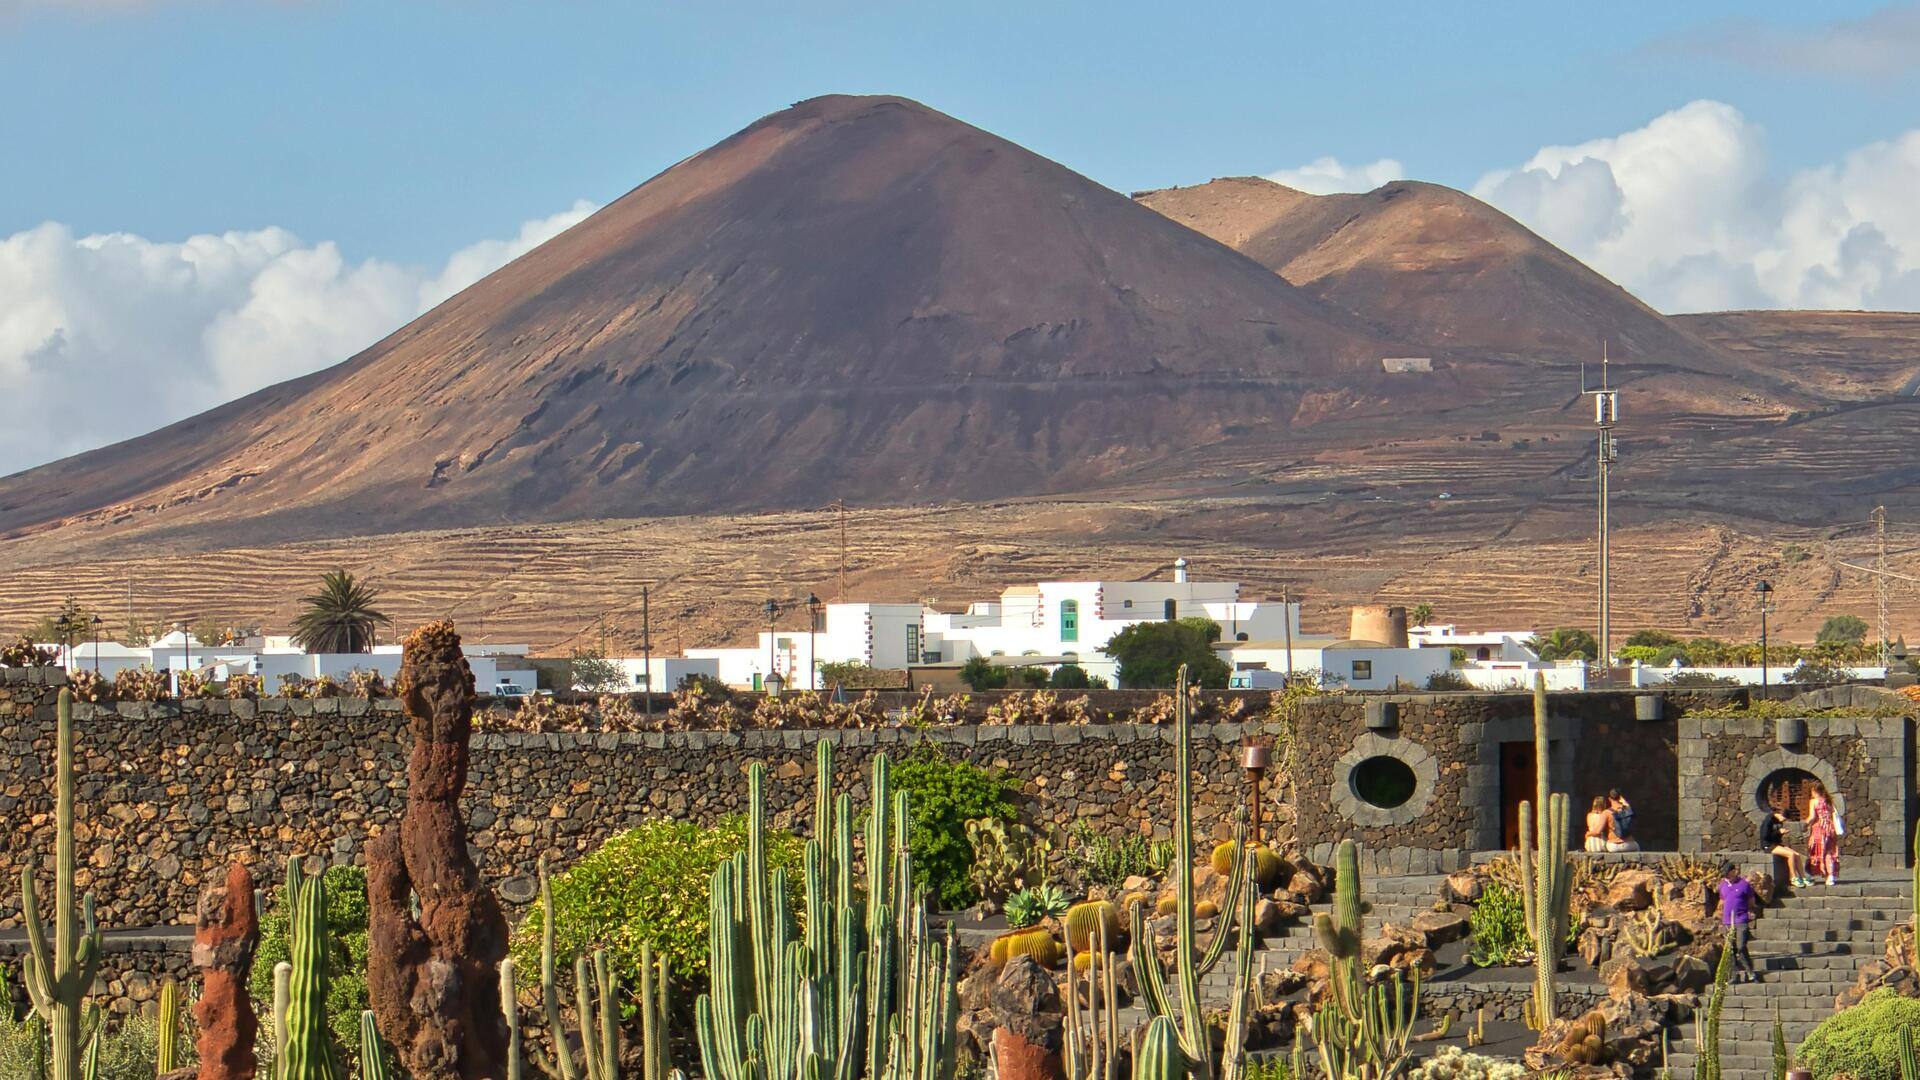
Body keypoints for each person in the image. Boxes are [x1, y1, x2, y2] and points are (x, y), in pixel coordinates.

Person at [1717, 863, 1760, 983]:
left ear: (1734, 871)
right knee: (1730, 948)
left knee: (1740, 946)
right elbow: (1722, 900)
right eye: (1724, 875)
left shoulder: (1744, 885)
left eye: (1728, 874)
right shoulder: (1723, 885)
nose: (1726, 877)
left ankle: (1750, 972)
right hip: (1727, 921)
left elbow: (1751, 901)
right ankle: (1734, 975)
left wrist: (1748, 911)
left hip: (1741, 919)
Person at [1761, 807, 1810, 888]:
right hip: (1768, 845)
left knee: (1796, 854)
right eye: (1784, 818)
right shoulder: (1768, 820)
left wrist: (1781, 833)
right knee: (1790, 854)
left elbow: (1776, 836)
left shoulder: (1778, 821)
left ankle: (1803, 877)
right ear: (1780, 814)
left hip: (1776, 843)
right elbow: (1764, 836)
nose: (1784, 821)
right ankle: (1793, 878)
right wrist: (1778, 832)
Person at [1808, 786, 1841, 887]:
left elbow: (1812, 817)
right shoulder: (1829, 801)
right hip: (1830, 829)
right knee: (1829, 851)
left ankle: (1815, 873)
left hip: (1819, 828)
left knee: (1817, 850)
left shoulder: (1814, 801)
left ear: (1814, 791)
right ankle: (1830, 876)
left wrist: (1806, 824)